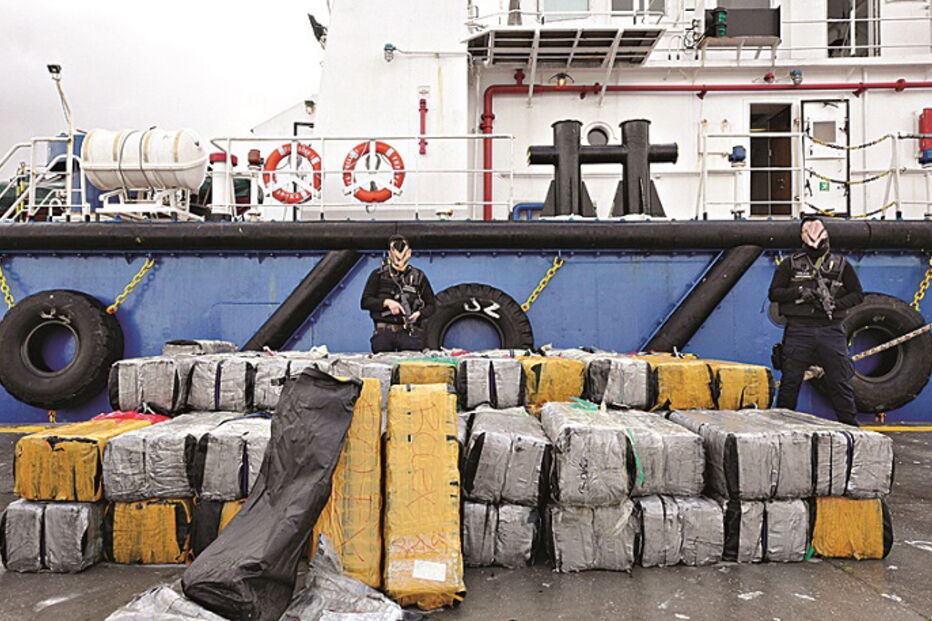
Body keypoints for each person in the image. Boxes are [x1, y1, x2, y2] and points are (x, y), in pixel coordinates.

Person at [768, 217, 864, 426]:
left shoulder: (840, 265)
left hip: (830, 328)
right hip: (799, 330)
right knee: (790, 383)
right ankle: (780, 429)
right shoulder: (790, 264)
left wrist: (835, 305)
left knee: (840, 382)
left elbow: (857, 294)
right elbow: (774, 293)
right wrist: (801, 292)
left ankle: (852, 431)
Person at [360, 235, 436, 353]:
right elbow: (365, 302)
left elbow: (431, 305)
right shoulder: (378, 275)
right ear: (390, 254)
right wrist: (387, 303)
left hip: (407, 333)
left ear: (409, 253)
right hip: (384, 334)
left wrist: (419, 314)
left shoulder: (418, 277)